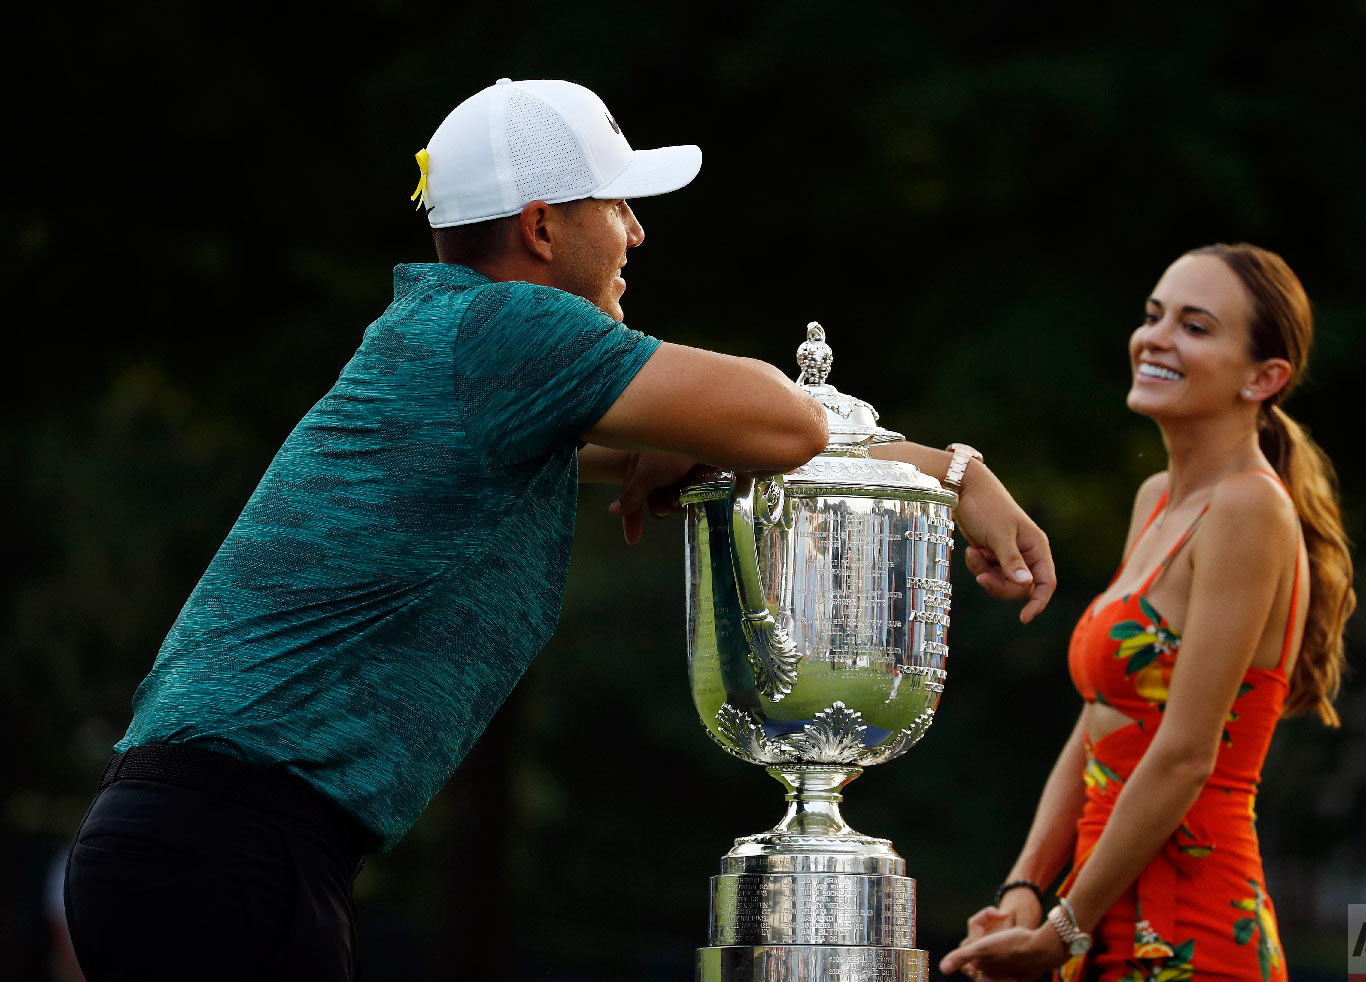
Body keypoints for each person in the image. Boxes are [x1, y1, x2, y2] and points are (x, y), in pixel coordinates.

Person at [64, 78, 1055, 980]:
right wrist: (705, 426)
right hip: (226, 847)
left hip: (212, 842)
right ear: (542, 226)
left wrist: (945, 471)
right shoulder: (514, 333)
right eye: (616, 205)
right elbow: (788, 421)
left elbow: (745, 440)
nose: (635, 232)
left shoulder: (456, 344)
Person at [939, 243, 1356, 982]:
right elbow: (1099, 720)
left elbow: (1188, 753)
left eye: (1195, 326)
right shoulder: (1158, 499)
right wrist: (1027, 891)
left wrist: (1065, 927)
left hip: (1189, 928)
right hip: (1098, 906)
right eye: (1153, 316)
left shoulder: (1249, 507)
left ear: (1265, 378)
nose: (1156, 338)